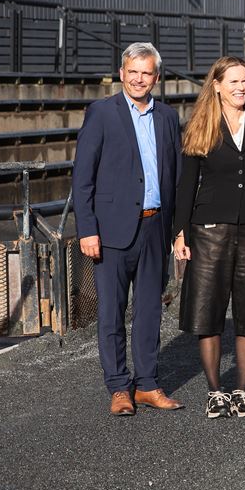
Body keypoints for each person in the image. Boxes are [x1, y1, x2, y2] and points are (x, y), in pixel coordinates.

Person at [172, 56, 245, 419]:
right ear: (217, 85)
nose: (242, 87)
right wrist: (179, 231)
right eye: (234, 81)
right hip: (208, 230)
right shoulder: (201, 126)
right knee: (207, 309)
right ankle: (215, 391)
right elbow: (187, 184)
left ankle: (242, 389)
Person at [71, 43, 183, 416]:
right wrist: (87, 229)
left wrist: (178, 230)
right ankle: (119, 387)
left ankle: (148, 384)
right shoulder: (101, 113)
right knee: (112, 313)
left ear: (156, 77)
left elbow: (177, 177)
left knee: (150, 310)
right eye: (132, 71)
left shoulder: (167, 117)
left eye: (146, 72)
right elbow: (83, 177)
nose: (138, 79)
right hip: (112, 231)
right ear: (122, 73)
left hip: (156, 228)